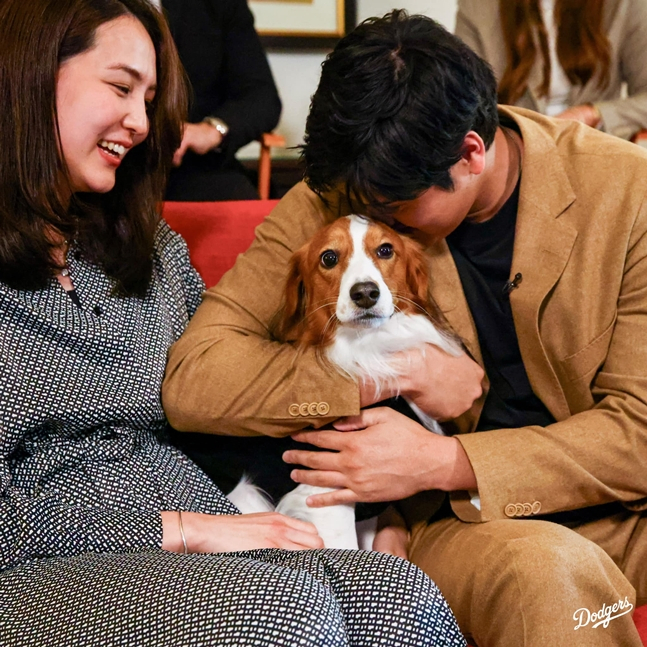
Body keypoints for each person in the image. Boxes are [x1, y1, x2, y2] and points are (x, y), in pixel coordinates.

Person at [163, 9, 647, 647]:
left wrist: (447, 460)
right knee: (551, 576)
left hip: (619, 505)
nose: (370, 214)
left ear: (471, 153)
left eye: (392, 206)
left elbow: (638, 430)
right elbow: (195, 378)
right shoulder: (338, 194)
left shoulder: (627, 193)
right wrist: (394, 374)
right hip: (464, 527)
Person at [0, 2, 468, 646]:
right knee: (287, 608)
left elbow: (222, 388)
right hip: (48, 564)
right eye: (120, 87)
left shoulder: (153, 249)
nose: (141, 123)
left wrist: (381, 508)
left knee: (398, 593)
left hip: (214, 518)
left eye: (150, 100)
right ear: (30, 76)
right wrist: (184, 530)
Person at [454, 0, 647, 140]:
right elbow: (463, 99)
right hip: (514, 150)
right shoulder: (477, 6)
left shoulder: (623, 5)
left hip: (595, 146)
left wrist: (592, 114)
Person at [157, 0, 282, 201]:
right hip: (117, 167)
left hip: (191, 169)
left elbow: (262, 98)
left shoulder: (220, 5)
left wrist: (212, 129)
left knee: (240, 202)